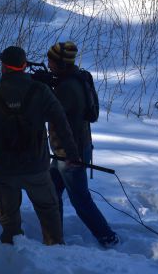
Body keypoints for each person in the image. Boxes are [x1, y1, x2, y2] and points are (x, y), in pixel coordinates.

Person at [0, 46, 80, 245]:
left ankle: (13, 254)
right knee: (48, 210)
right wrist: (72, 153)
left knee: (9, 218)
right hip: (36, 166)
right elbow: (61, 122)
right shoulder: (41, 91)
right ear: (24, 66)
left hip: (3, 168)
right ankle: (55, 252)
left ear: (3, 67)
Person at [46, 41, 119, 247]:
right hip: (72, 149)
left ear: (61, 64)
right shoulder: (76, 78)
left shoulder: (66, 88)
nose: (48, 63)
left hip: (70, 153)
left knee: (80, 200)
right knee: (51, 192)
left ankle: (107, 236)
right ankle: (55, 236)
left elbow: (50, 113)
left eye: (51, 60)